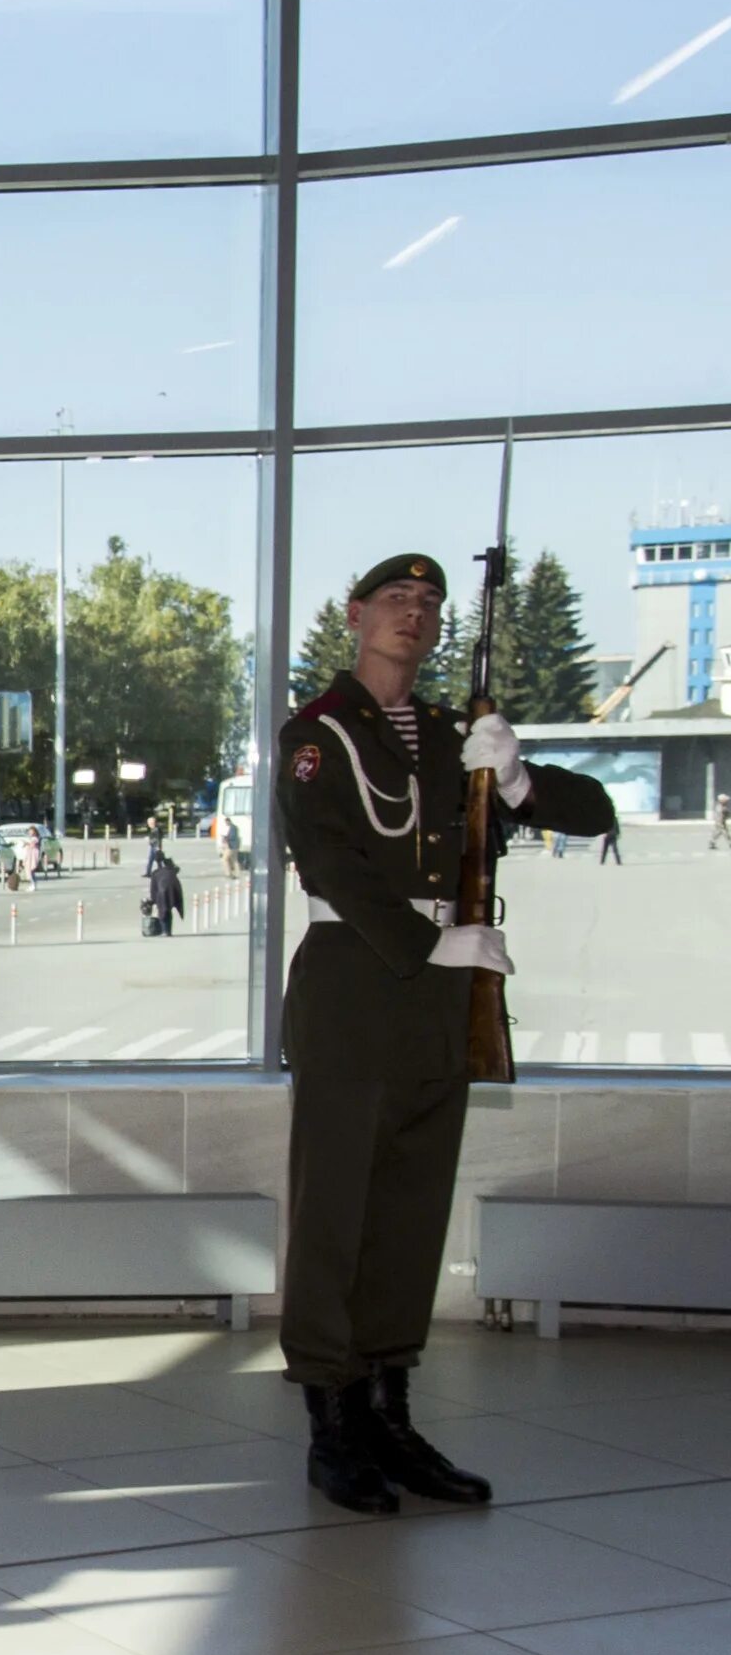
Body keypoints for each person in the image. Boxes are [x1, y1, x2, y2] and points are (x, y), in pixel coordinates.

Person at [278, 554, 614, 1514]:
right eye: (396, 601)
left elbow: (593, 814)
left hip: (440, 993)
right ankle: (333, 1425)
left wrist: (513, 782)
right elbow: (331, 859)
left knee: (411, 1208)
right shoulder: (318, 734)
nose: (413, 616)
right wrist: (432, 943)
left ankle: (390, 1411)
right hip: (359, 981)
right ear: (354, 616)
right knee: (338, 1211)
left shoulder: (448, 734)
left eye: (428, 605)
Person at [144, 844, 184, 936]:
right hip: (174, 889)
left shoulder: (156, 873)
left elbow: (153, 890)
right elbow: (177, 869)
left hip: (163, 891)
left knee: (162, 909)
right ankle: (168, 931)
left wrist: (153, 901)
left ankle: (165, 930)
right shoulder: (171, 869)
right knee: (168, 909)